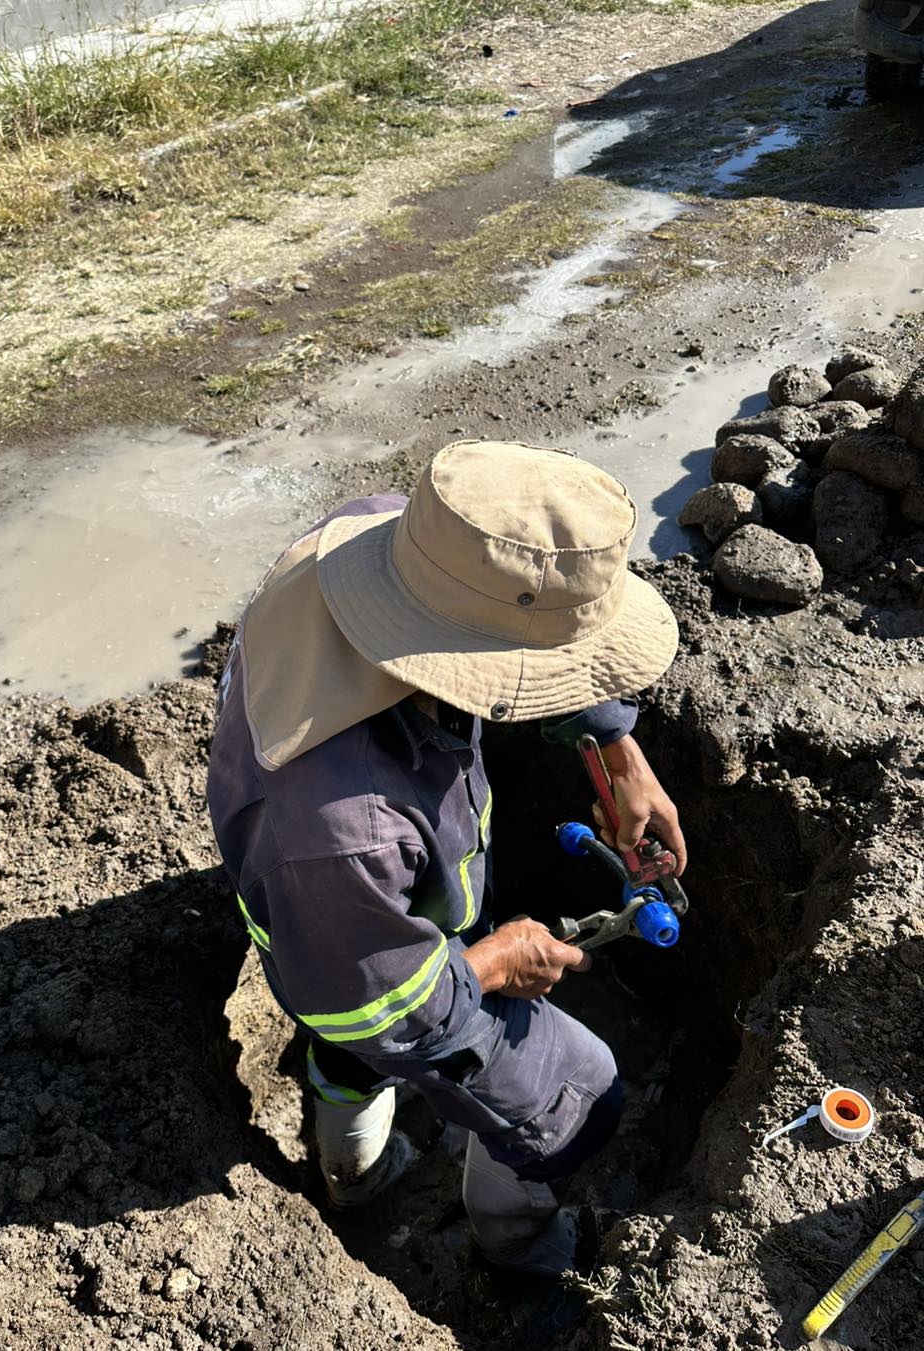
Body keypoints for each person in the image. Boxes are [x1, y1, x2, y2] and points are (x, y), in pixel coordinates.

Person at [207, 440, 684, 1277]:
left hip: (346, 924)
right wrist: (490, 961)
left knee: (345, 1054)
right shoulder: (340, 831)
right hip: (358, 963)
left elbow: (522, 623)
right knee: (579, 1092)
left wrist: (616, 753)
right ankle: (515, 1249)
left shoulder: (395, 542)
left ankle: (354, 1174)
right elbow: (376, 1003)